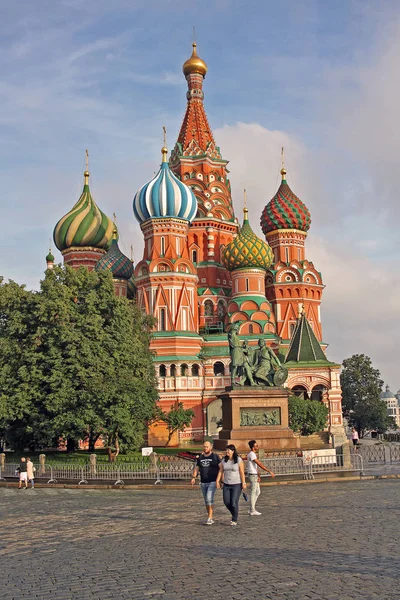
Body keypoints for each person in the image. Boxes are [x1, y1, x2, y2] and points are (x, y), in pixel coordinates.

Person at [191, 441, 221, 525]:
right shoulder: (200, 457)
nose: (205, 448)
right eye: (204, 447)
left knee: (209, 498)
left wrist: (219, 480)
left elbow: (221, 468)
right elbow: (197, 468)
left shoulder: (215, 456)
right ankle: (209, 516)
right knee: (206, 500)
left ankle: (210, 518)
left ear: (210, 447)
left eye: (207, 447)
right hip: (203, 481)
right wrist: (194, 477)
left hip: (212, 481)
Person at [216, 444, 246, 526]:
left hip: (236, 484)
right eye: (226, 450)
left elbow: (241, 472)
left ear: (233, 451)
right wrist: (218, 481)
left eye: (228, 450)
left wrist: (243, 482)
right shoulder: (224, 460)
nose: (227, 451)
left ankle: (234, 519)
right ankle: (234, 513)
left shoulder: (238, 460)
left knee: (233, 502)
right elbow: (221, 471)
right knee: (226, 502)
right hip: (226, 484)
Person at [247, 440, 275, 516]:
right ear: (253, 447)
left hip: (255, 474)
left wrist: (258, 475)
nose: (257, 447)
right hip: (252, 475)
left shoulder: (253, 454)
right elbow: (259, 464)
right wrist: (269, 471)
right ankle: (252, 509)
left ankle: (252, 508)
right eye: (256, 446)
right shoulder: (251, 454)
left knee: (257, 492)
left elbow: (255, 467)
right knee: (253, 492)